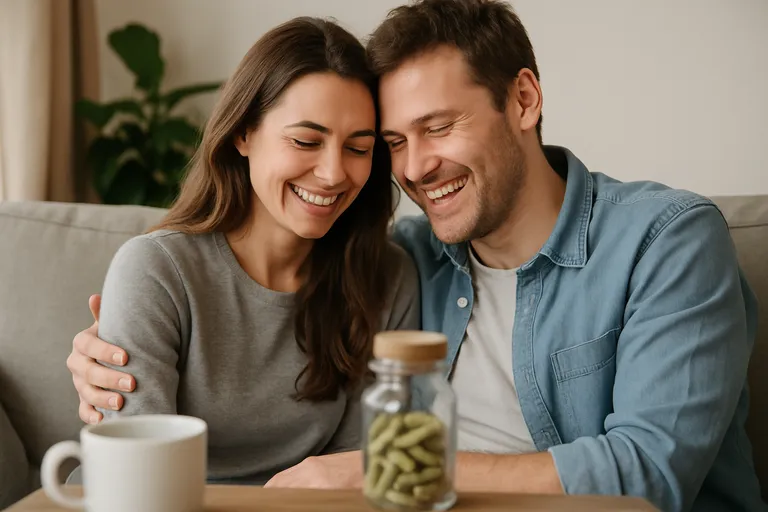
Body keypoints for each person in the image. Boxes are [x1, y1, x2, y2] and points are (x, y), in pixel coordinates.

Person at [67, 1, 765, 510]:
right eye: (394, 143)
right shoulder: (407, 258)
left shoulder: (666, 239)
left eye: (438, 127)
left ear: (522, 100)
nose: (415, 167)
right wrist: (105, 355)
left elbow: (649, 473)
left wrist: (384, 468)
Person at [65, 16, 420, 485]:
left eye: (359, 148)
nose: (334, 173)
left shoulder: (387, 277)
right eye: (305, 141)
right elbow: (138, 475)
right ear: (243, 133)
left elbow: (355, 470)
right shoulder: (156, 271)